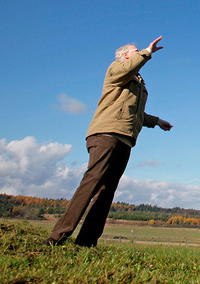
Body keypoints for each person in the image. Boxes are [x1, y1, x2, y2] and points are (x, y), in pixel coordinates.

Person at [44, 36, 173, 247]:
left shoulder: (137, 82)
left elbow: (136, 112)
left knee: (107, 191)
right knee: (92, 182)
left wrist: (157, 121)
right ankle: (57, 237)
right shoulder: (116, 70)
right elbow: (127, 70)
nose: (139, 51)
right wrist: (147, 52)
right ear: (124, 56)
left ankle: (86, 243)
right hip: (106, 134)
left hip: (125, 139)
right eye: (135, 51)